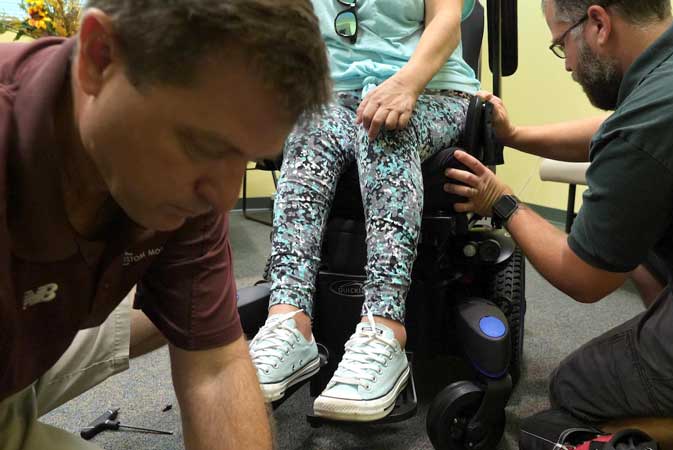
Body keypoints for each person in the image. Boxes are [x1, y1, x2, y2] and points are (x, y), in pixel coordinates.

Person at [442, 0, 673, 448]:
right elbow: (615, 129)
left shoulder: (652, 119)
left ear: (598, 23)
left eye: (562, 45)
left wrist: (503, 202)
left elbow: (583, 278)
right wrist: (516, 137)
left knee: (569, 394)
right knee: (641, 233)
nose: (569, 63)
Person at [0, 1, 329, 449]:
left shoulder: (185, 172)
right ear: (101, 57)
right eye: (204, 145)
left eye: (248, 157)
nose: (225, 195)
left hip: (29, 338)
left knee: (193, 312)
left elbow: (216, 370)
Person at [247, 0, 481, 421]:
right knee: (308, 132)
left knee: (383, 131)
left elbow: (447, 24)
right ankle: (288, 321)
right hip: (339, 97)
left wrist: (406, 84)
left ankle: (385, 331)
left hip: (433, 90)